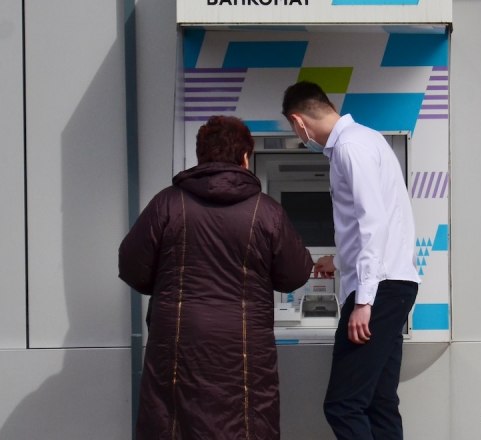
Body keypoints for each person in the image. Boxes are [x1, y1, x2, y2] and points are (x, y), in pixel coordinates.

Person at [118, 115, 313, 439]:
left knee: (173, 424)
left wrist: (168, 285)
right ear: (245, 157)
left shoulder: (167, 203)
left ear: (201, 157)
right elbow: (295, 274)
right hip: (245, 345)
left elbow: (131, 266)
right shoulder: (266, 211)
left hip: (177, 342)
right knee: (246, 422)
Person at [281, 81, 420, 440]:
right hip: (395, 284)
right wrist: (339, 260)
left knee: (343, 405)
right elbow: (375, 222)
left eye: (294, 131)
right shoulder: (369, 139)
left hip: (378, 290)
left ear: (298, 122)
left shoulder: (348, 147)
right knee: (379, 402)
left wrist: (364, 301)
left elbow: (372, 222)